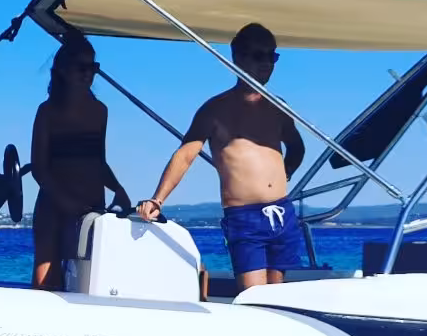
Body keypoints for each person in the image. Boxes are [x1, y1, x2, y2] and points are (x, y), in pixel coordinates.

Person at [136, 22, 306, 286]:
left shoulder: (278, 107)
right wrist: (157, 200)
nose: (267, 63)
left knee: (278, 297)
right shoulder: (215, 110)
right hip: (245, 216)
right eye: (258, 55)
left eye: (272, 56)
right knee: (254, 299)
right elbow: (185, 155)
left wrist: (285, 173)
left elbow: (296, 146)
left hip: (282, 211)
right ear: (237, 57)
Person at [30, 33, 129, 288]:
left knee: (86, 278)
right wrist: (64, 201)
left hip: (91, 203)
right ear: (63, 70)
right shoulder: (47, 111)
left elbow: (98, 160)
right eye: (81, 67)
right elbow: (39, 167)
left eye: (93, 67)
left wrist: (118, 189)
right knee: (46, 279)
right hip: (54, 204)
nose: (88, 73)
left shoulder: (100, 111)